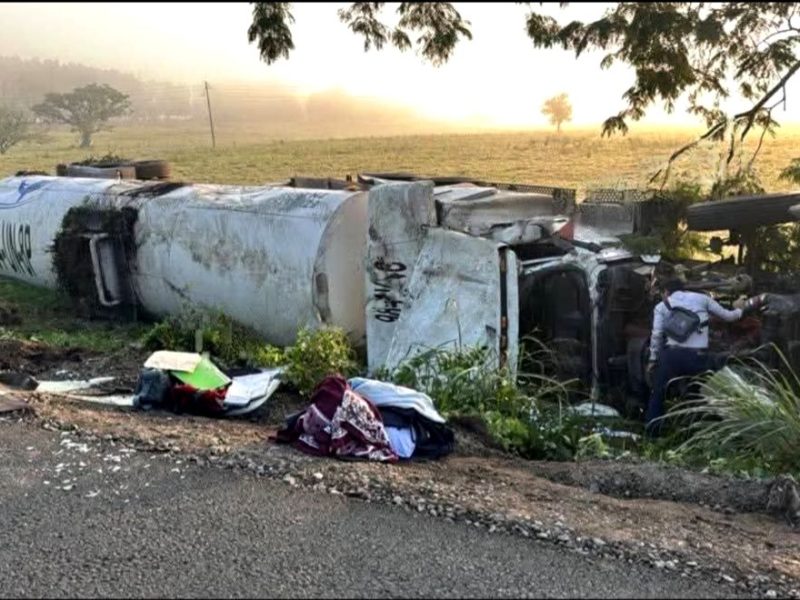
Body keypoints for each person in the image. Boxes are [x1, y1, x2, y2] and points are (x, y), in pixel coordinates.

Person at [645, 278, 763, 436]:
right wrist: (742, 309)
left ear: (666, 292)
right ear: (683, 289)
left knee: (658, 393)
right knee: (697, 389)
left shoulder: (661, 306)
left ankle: (652, 433)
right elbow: (730, 317)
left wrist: (653, 360)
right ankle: (701, 429)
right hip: (697, 358)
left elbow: (657, 335)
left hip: (671, 357)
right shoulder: (702, 299)